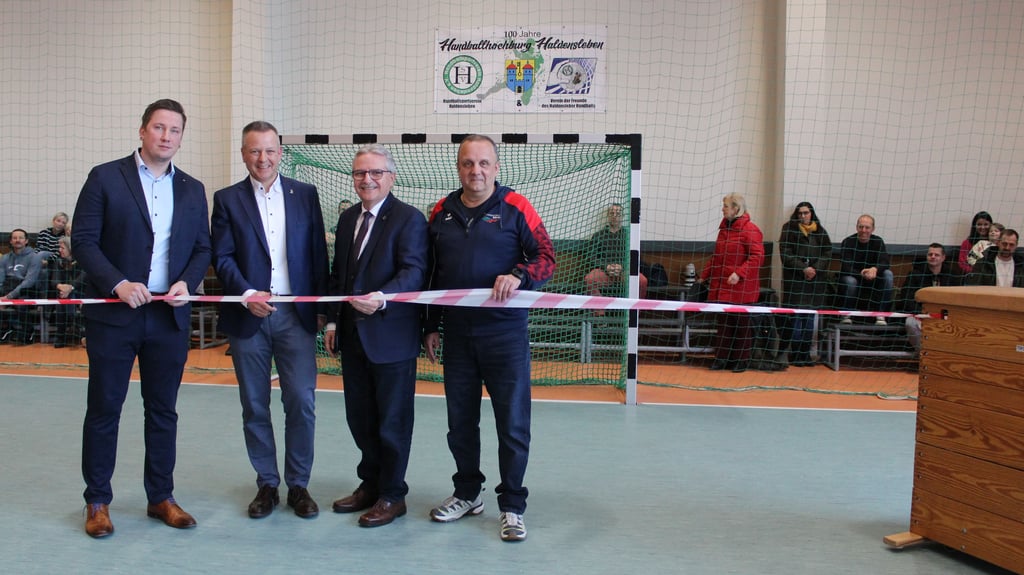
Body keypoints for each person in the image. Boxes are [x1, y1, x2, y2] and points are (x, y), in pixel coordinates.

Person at [73, 99, 211, 538]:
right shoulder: (104, 177)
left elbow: (202, 249)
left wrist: (187, 283)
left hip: (168, 317)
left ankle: (161, 498)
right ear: (142, 131)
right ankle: (97, 501)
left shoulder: (192, 188)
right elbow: (84, 241)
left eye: (175, 130)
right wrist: (117, 283)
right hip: (115, 315)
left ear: (181, 137)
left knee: (163, 411)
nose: (166, 136)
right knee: (104, 409)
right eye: (159, 128)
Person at [422, 134, 555, 542]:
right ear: (458, 167)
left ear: (496, 168)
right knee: (460, 423)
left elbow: (546, 258)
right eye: (467, 163)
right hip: (457, 335)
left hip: (505, 335)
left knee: (512, 424)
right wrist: (429, 324)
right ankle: (467, 493)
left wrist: (519, 274)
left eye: (483, 163)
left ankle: (512, 505)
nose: (475, 171)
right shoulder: (440, 213)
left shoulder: (516, 207)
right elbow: (429, 275)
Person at [211, 121, 328, 520]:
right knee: (254, 404)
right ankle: (266, 483)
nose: (263, 158)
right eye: (254, 151)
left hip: (296, 315)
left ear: (280, 152)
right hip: (249, 317)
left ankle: (298, 485)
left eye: (270, 150)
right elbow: (222, 256)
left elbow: (317, 256)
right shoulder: (226, 199)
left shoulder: (306, 195)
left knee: (301, 400)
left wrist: (324, 313)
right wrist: (247, 294)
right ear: (243, 154)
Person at [323, 144, 428, 528]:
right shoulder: (349, 218)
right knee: (360, 418)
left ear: (391, 177)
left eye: (375, 173)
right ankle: (370, 484)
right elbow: (340, 277)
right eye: (360, 174)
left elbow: (414, 272)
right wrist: (333, 321)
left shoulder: (409, 219)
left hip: (392, 339)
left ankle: (392, 494)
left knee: (393, 422)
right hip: (352, 338)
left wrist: (383, 299)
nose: (367, 180)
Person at [699, 193, 764, 373]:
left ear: (736, 208)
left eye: (726, 206)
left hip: (741, 288)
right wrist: (703, 276)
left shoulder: (750, 230)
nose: (723, 209)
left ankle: (741, 360)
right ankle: (722, 358)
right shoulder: (724, 231)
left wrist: (739, 273)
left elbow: (757, 256)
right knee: (724, 325)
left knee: (741, 326)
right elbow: (716, 257)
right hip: (722, 286)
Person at [778, 202, 831, 367]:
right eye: (800, 213)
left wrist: (815, 269)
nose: (803, 216)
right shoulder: (788, 229)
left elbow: (827, 252)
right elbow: (785, 254)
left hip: (815, 280)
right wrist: (803, 268)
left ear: (811, 214)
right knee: (795, 318)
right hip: (795, 279)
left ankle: (805, 353)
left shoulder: (820, 230)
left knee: (809, 318)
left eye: (806, 213)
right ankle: (795, 353)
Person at [583, 203, 647, 311]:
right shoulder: (598, 236)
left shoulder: (629, 235)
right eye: (611, 213)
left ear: (622, 216)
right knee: (589, 280)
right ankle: (600, 315)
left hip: (624, 272)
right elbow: (591, 257)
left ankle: (635, 314)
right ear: (608, 216)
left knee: (642, 281)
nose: (614, 216)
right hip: (604, 271)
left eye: (618, 213)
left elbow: (635, 258)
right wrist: (606, 267)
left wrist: (622, 267)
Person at [901, 243, 961, 353]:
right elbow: (906, 298)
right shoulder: (915, 274)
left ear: (943, 258)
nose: (933, 257)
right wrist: (922, 313)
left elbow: (958, 300)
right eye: (930, 254)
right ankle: (925, 354)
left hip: (946, 315)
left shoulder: (953, 276)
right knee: (910, 323)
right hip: (921, 314)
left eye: (936, 255)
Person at [838, 214, 893, 325]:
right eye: (861, 227)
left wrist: (875, 269)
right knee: (850, 281)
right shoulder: (848, 242)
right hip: (853, 278)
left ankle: (881, 314)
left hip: (873, 279)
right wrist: (861, 273)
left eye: (867, 227)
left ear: (873, 229)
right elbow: (846, 266)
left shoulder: (878, 241)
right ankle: (847, 314)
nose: (863, 230)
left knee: (888, 274)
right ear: (856, 227)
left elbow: (885, 262)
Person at [0, 228, 45, 345]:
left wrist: (9, 296)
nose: (17, 240)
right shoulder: (5, 258)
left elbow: (29, 281)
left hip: (27, 288)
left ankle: (27, 332)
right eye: (14, 238)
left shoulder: (34, 257)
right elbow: (1, 279)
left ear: (26, 241)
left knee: (21, 303)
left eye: (20, 238)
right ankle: (6, 329)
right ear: (10, 241)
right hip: (8, 286)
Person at [51, 235, 87, 348]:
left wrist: (70, 287)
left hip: (82, 292)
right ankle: (81, 335)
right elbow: (54, 280)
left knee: (65, 297)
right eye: (59, 247)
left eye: (62, 248)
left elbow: (82, 279)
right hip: (64, 293)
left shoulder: (82, 260)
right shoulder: (58, 261)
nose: (59, 250)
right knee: (63, 297)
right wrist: (61, 286)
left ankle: (60, 335)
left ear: (70, 248)